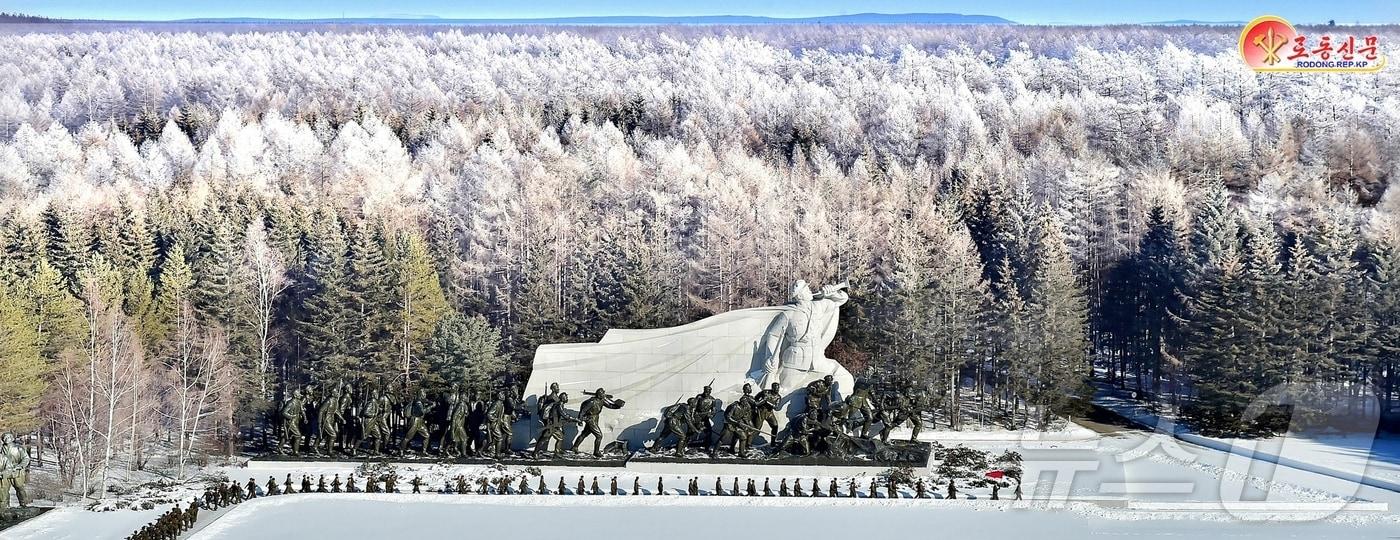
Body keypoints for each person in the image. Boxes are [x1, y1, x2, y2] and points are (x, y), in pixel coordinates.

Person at [571, 388, 625, 457]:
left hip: (595, 419)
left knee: (584, 434)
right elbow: (583, 411)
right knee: (599, 436)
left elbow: (610, 406)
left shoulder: (601, 401)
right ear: (599, 394)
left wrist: (618, 406)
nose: (604, 395)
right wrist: (580, 420)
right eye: (603, 393)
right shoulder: (592, 402)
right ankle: (596, 452)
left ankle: (574, 447)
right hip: (590, 419)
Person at [711, 384, 758, 457]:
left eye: (746, 404)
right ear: (741, 402)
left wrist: (747, 425)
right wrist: (736, 422)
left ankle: (741, 452)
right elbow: (727, 417)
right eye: (744, 403)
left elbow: (745, 417)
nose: (746, 405)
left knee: (743, 437)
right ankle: (715, 452)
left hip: (737, 424)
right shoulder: (734, 406)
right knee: (723, 438)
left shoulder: (746, 407)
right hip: (729, 424)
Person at [533, 392, 577, 458]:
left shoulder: (559, 404)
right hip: (551, 425)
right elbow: (564, 415)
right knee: (544, 439)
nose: (567, 398)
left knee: (560, 437)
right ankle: (535, 453)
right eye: (566, 397)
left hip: (555, 425)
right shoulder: (559, 405)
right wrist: (575, 419)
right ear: (562, 398)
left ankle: (557, 452)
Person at [399, 389, 437, 456]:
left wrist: (430, 403)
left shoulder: (421, 400)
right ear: (420, 394)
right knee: (408, 437)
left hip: (420, 421)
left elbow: (426, 401)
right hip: (414, 421)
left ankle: (424, 451)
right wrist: (431, 407)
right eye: (423, 393)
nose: (425, 394)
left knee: (427, 435)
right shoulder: (418, 402)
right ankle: (401, 450)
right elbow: (421, 412)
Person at [0, 432, 31, 509]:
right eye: (5, 438)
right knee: (4, 490)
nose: (6, 439)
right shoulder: (1, 449)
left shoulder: (19, 448)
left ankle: (23, 504)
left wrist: (20, 466)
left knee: (19, 488)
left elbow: (26, 458)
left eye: (8, 437)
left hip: (17, 472)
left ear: (12, 438)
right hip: (5, 472)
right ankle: (5, 506)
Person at [280, 389, 306, 455]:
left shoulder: (299, 402)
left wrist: (305, 418)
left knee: (288, 435)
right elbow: (284, 412)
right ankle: (295, 452)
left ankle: (279, 447)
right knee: (298, 435)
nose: (300, 396)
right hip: (291, 422)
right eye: (298, 395)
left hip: (296, 421)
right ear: (295, 395)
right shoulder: (291, 403)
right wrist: (291, 416)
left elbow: (302, 410)